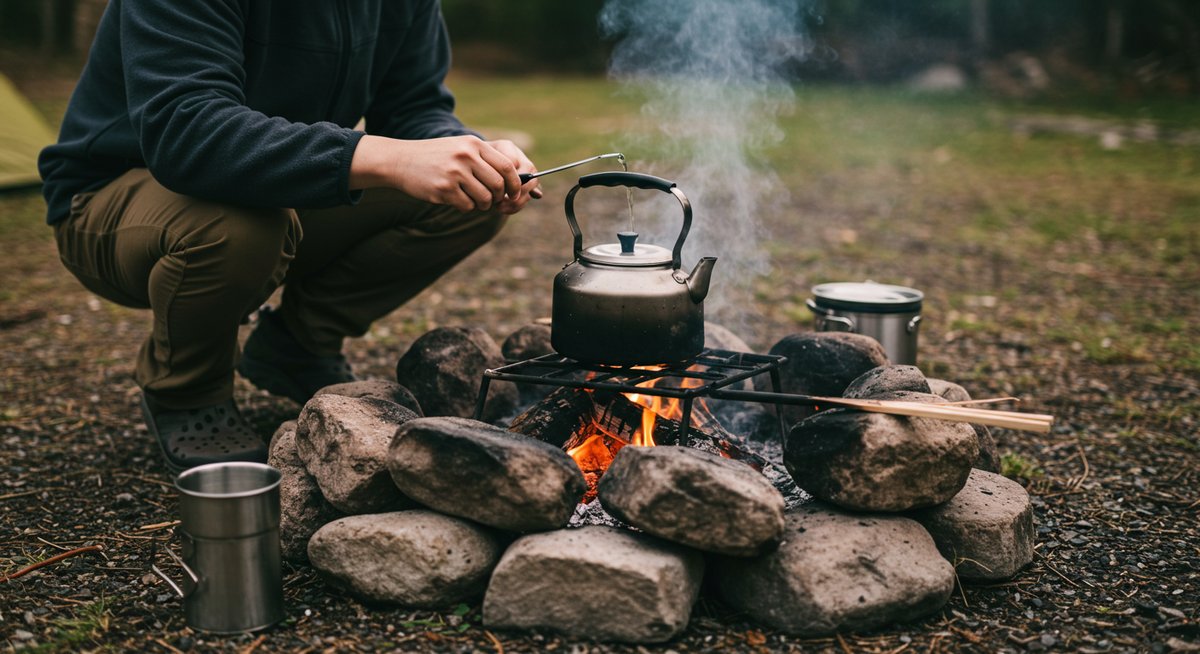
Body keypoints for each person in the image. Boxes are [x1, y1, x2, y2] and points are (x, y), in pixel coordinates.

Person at [37, 0, 540, 474]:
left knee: (468, 196)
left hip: (275, 188)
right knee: (238, 228)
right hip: (115, 196)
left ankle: (297, 345)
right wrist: (390, 158)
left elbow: (414, 106)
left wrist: (467, 154)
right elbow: (184, 131)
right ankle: (186, 390)